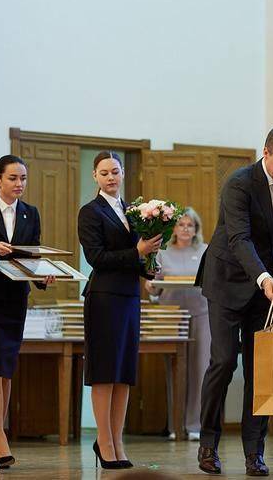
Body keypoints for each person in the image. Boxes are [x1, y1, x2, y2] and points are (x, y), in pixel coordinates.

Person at [195, 126, 273, 476]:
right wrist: (263, 277)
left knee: (263, 371)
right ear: (266, 152)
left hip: (268, 289)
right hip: (228, 281)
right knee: (225, 362)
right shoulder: (239, 182)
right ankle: (208, 443)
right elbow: (239, 238)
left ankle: (253, 453)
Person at [78, 151, 162, 470]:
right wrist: (136, 251)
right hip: (103, 297)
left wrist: (147, 267)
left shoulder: (133, 211)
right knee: (104, 371)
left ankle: (118, 439)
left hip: (129, 297)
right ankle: (104, 440)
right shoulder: (90, 212)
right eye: (104, 173)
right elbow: (97, 258)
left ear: (123, 173)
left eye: (115, 171)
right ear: (95, 177)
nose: (111, 177)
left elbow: (134, 258)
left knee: (124, 372)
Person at [0, 155, 55, 471]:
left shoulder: (30, 213)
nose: (19, 184)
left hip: (15, 300)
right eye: (13, 178)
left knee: (6, 367)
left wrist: (42, 276)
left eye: (23, 178)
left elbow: (32, 256)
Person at [145, 207, 209, 442]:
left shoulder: (205, 251)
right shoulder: (162, 252)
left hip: (201, 315)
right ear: (174, 228)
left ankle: (195, 425)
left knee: (200, 370)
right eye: (181, 224)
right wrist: (151, 288)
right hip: (170, 317)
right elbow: (155, 286)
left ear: (196, 230)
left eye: (190, 225)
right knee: (174, 372)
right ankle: (175, 425)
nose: (185, 229)